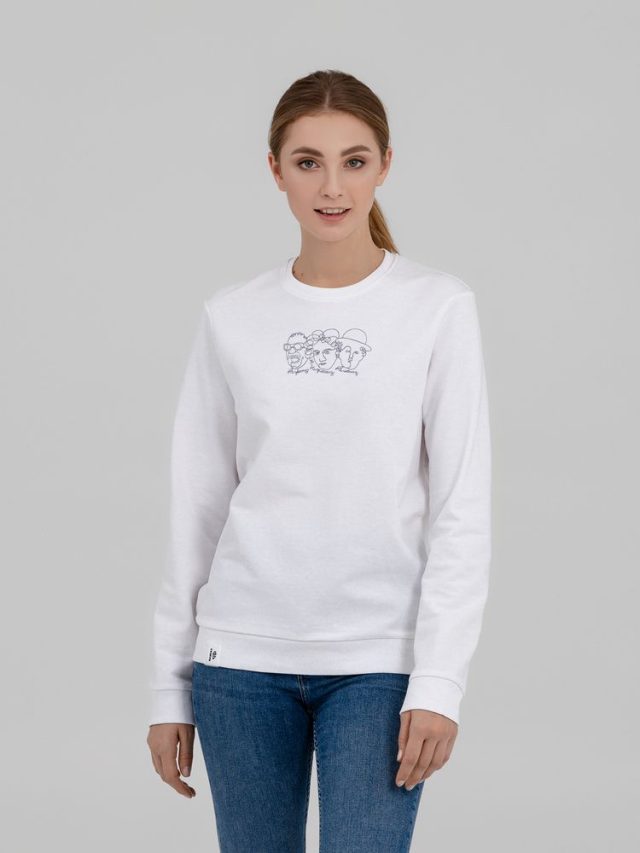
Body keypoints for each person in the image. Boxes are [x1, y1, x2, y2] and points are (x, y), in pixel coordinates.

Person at [146, 68, 492, 852]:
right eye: (308, 162)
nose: (332, 186)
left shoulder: (438, 307)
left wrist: (439, 678)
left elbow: (462, 510)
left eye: (354, 160)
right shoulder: (232, 316)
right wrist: (168, 687)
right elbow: (198, 511)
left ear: (385, 165)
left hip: (378, 663)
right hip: (238, 661)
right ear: (276, 170)